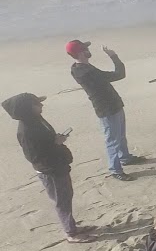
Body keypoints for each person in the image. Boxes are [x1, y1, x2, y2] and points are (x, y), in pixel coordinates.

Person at [3, 93, 95, 243]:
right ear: (27, 108)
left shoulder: (36, 120)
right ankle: (71, 233)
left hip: (57, 165)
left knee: (66, 196)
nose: (41, 105)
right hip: (50, 170)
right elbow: (34, 156)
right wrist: (55, 143)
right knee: (62, 201)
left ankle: (72, 227)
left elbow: (44, 141)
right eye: (37, 104)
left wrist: (55, 140)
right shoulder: (26, 130)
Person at [67, 39, 145, 181]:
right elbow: (119, 74)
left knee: (120, 135)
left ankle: (125, 157)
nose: (88, 50)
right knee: (112, 140)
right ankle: (115, 169)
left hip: (113, 104)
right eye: (85, 48)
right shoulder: (86, 72)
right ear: (80, 53)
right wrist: (113, 56)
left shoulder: (78, 68)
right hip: (107, 109)